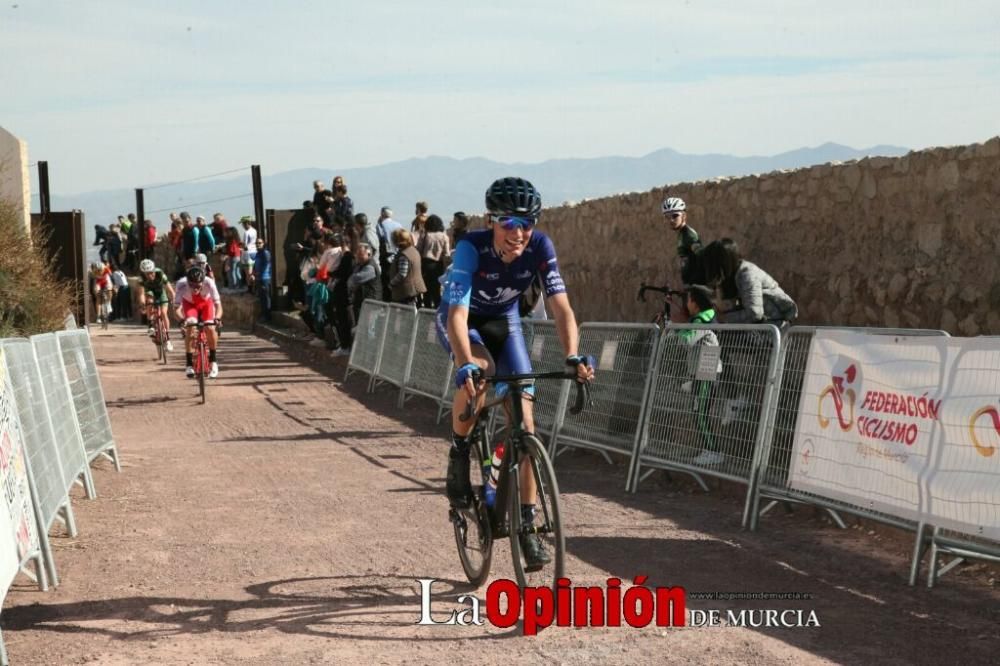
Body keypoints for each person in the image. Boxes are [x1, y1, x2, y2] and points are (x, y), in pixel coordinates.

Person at [437, 176, 594, 569]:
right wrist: (464, 363)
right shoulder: (471, 248)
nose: (519, 232)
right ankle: (459, 452)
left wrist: (572, 356)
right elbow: (456, 314)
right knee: (482, 370)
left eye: (528, 223)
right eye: (509, 223)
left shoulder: (540, 247)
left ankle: (526, 522)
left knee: (526, 424)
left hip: (505, 321)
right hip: (463, 322)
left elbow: (561, 308)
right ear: (491, 220)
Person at [674, 284, 723, 466]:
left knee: (700, 413)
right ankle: (708, 449)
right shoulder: (704, 318)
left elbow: (687, 340)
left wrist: (676, 328)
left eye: (688, 299)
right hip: (702, 373)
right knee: (698, 411)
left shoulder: (702, 321)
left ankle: (714, 451)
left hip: (706, 373)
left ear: (694, 302)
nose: (687, 303)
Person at [701, 238, 798, 328]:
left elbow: (754, 313)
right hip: (758, 332)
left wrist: (725, 318)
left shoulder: (747, 275)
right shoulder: (731, 278)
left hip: (773, 329)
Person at [173, 265, 223, 379]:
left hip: (206, 304)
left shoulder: (209, 282)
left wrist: (218, 319)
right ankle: (189, 364)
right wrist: (182, 320)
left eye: (198, 285)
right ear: (187, 282)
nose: (195, 288)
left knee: (210, 327)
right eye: (192, 285)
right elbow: (176, 309)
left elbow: (218, 305)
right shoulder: (181, 284)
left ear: (203, 281)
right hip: (189, 304)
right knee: (190, 325)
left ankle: (213, 361)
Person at [662, 197, 705, 285]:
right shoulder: (682, 233)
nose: (671, 220)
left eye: (675, 216)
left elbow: (702, 256)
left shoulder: (689, 235)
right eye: (667, 217)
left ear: (684, 216)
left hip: (696, 285)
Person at [137, 259, 175, 352]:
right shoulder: (141, 279)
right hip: (149, 291)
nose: (150, 275)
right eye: (147, 274)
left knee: (163, 313)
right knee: (149, 300)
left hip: (160, 292)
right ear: (143, 273)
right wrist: (143, 304)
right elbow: (141, 294)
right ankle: (150, 325)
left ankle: (167, 338)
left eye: (151, 272)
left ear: (154, 270)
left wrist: (173, 299)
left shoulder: (160, 274)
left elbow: (169, 289)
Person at [418, 214, 450, 309]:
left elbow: (419, 249)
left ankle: (427, 310)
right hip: (438, 265)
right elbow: (446, 253)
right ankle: (437, 309)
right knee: (436, 289)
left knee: (426, 289)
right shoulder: (444, 236)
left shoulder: (426, 235)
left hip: (426, 264)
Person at [389, 228, 426, 306]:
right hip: (414, 288)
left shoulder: (404, 255)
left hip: (406, 291)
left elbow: (402, 273)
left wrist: (391, 283)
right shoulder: (413, 250)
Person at [347, 242, 380, 323]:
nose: (358, 257)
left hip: (371, 302)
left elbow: (356, 278)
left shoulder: (370, 267)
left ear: (368, 254)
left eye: (361, 254)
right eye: (357, 254)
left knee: (369, 327)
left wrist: (351, 280)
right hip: (361, 301)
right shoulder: (360, 265)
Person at [376, 207, 402, 301]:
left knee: (386, 281)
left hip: (386, 256)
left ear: (382, 214)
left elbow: (380, 238)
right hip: (398, 255)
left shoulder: (381, 225)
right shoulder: (398, 225)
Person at [250, 237, 272, 323]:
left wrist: (258, 273)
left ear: (263, 243)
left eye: (260, 243)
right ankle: (263, 314)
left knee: (266, 297)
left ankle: (267, 316)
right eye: (256, 243)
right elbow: (255, 264)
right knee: (262, 298)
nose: (258, 245)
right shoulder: (258, 254)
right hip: (259, 278)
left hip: (265, 278)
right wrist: (253, 273)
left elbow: (266, 265)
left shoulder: (265, 253)